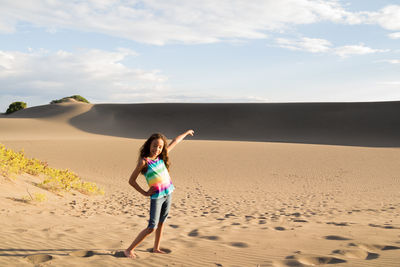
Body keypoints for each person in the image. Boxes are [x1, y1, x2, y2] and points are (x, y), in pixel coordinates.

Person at [124, 130, 194, 259]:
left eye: (160, 147)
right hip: (157, 197)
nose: (157, 149)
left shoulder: (162, 156)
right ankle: (129, 250)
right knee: (152, 227)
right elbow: (131, 181)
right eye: (154, 146)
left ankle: (156, 248)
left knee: (162, 222)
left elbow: (175, 141)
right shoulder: (144, 162)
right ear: (149, 145)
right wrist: (144, 193)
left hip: (168, 194)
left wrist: (187, 133)